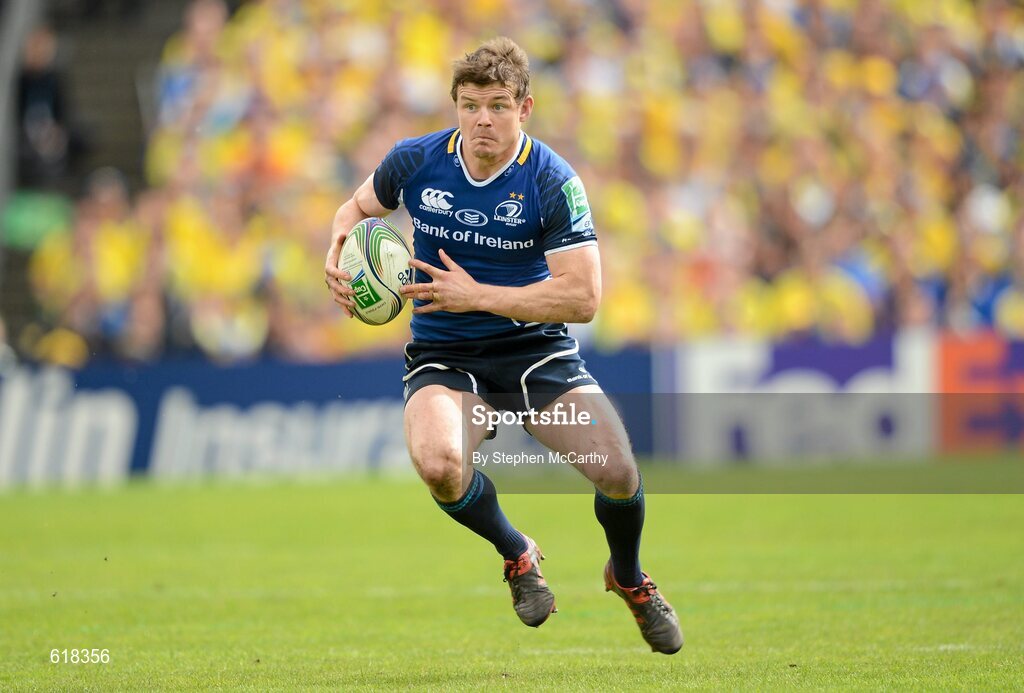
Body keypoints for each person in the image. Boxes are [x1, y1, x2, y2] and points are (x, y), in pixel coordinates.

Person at [324, 37, 682, 654]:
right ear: (455, 107)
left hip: (534, 352)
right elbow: (353, 210)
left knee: (619, 472)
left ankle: (627, 577)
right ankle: (517, 552)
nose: (482, 119)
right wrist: (337, 255)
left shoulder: (551, 180)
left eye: (496, 105)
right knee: (438, 465)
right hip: (444, 356)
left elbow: (583, 299)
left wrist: (478, 295)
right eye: (469, 105)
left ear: (525, 108)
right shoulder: (414, 160)